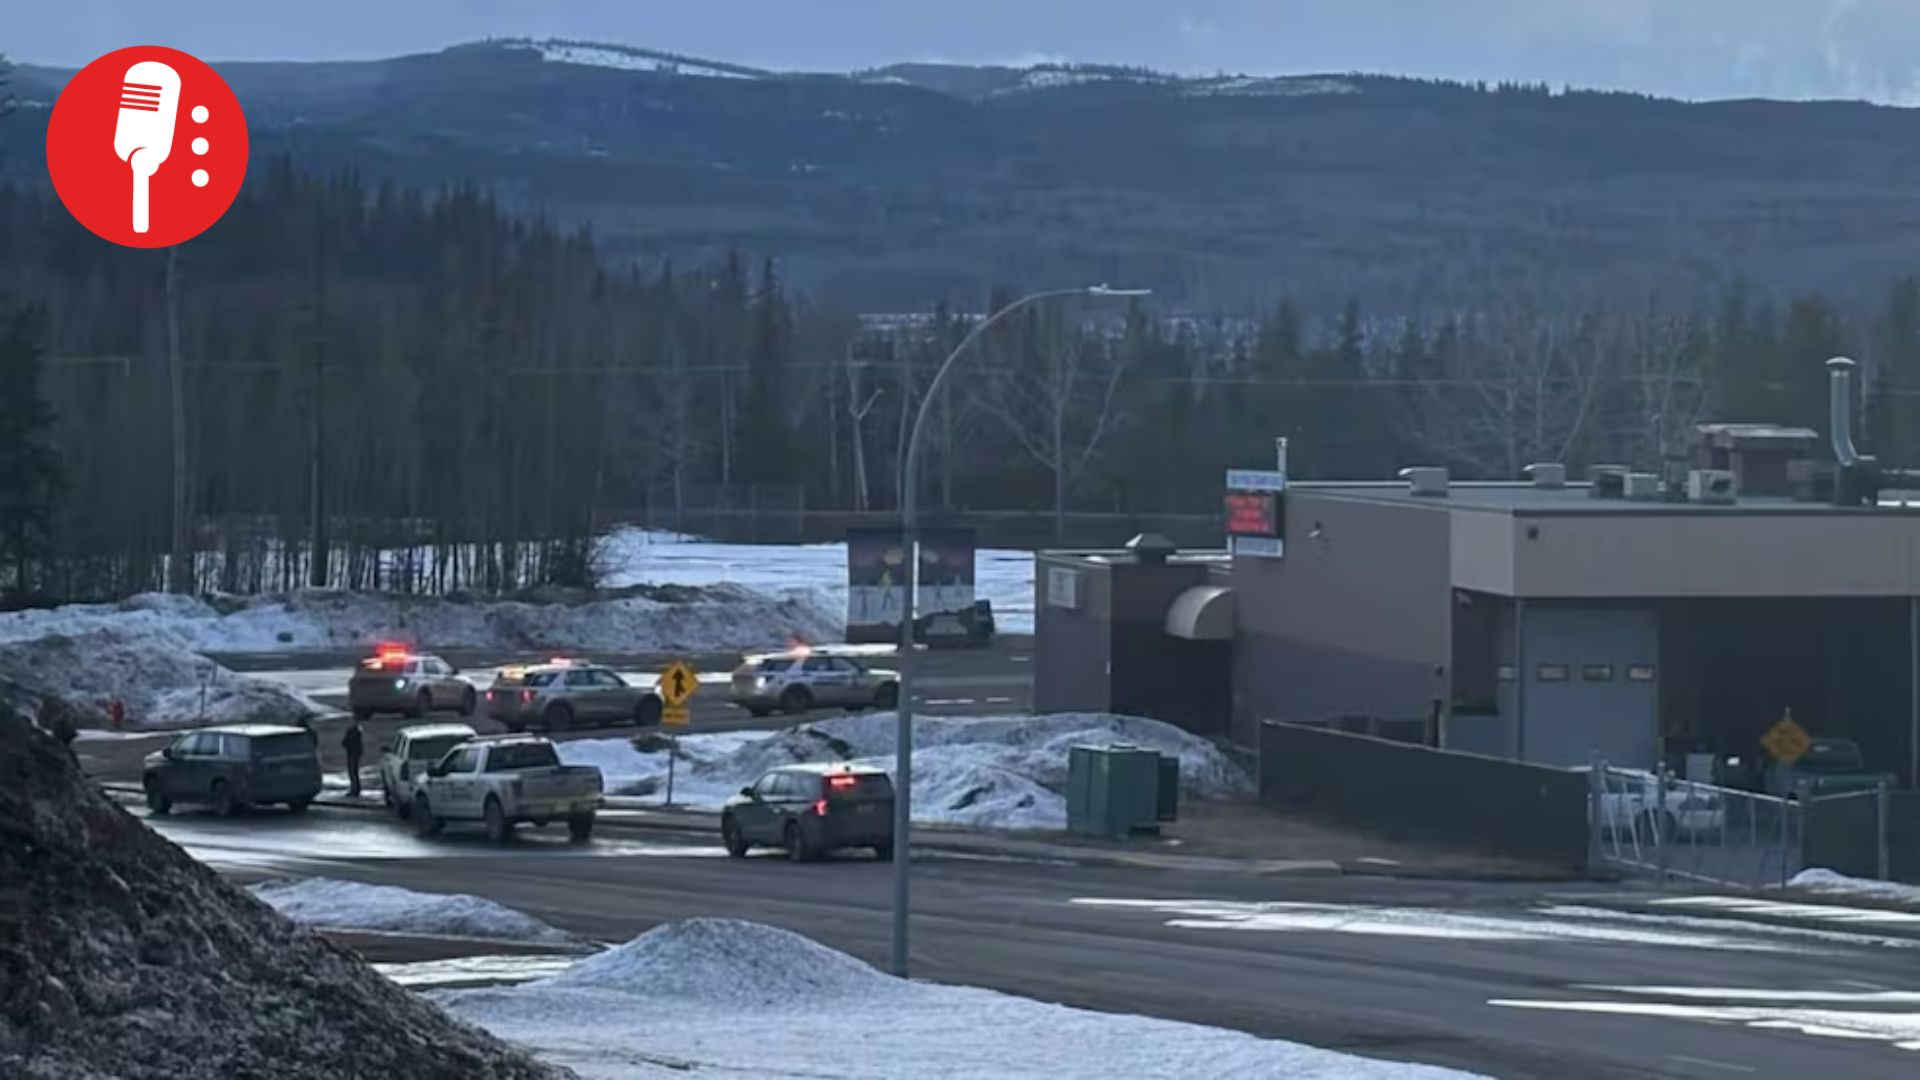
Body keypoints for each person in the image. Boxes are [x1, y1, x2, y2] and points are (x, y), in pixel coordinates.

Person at [342, 718, 365, 797]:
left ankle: (354, 789)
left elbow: (347, 741)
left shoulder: (354, 731)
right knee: (353, 771)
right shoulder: (356, 730)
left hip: (353, 753)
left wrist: (346, 742)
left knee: (353, 771)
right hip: (354, 752)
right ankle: (355, 788)